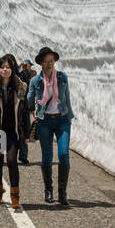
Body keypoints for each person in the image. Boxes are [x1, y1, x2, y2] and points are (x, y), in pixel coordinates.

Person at [0, 54, 31, 209]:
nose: (5, 70)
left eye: (8, 67)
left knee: (11, 161)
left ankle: (15, 196)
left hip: (12, 131)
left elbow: (25, 112)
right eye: (2, 67)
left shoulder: (20, 87)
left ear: (13, 69)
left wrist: (26, 134)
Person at [29, 46, 74, 206]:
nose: (49, 64)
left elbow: (66, 97)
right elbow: (30, 100)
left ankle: (62, 193)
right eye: (46, 61)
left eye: (51, 61)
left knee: (63, 154)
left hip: (62, 119)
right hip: (44, 121)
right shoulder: (35, 80)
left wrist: (70, 116)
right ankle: (48, 191)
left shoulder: (62, 77)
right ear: (41, 63)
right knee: (47, 157)